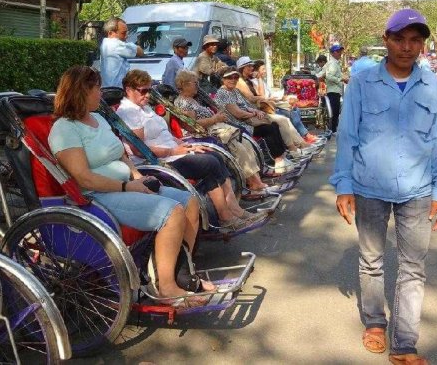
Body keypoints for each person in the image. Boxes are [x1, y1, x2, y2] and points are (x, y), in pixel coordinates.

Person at [330, 8, 437, 365]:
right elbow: (348, 135)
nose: (407, 46)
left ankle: (404, 344)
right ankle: (374, 322)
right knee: (371, 261)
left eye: (415, 40)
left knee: (413, 267)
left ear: (423, 45)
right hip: (369, 186)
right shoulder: (363, 83)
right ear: (386, 40)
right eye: (400, 38)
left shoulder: (432, 85)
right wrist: (344, 184)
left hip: (418, 190)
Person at [48, 65, 211, 306]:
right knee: (172, 212)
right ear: (82, 91)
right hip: (97, 196)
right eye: (97, 88)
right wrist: (126, 187)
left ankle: (181, 272)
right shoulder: (65, 129)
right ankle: (166, 288)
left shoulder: (99, 119)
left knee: (189, 201)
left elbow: (121, 154)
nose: (100, 94)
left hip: (125, 185)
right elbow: (83, 178)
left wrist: (136, 176)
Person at [117, 69, 260, 230]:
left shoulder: (144, 108)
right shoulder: (128, 111)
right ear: (128, 90)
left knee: (215, 157)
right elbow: (138, 149)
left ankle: (233, 210)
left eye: (149, 90)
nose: (148, 95)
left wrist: (186, 146)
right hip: (156, 160)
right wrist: (173, 151)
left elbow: (166, 134)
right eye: (143, 91)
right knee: (210, 162)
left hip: (173, 152)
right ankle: (225, 216)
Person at [173, 70, 270, 192]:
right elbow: (192, 126)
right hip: (202, 133)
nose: (197, 85)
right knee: (238, 147)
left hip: (214, 127)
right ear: (185, 84)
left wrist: (217, 118)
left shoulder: (192, 99)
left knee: (245, 144)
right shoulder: (182, 102)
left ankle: (255, 181)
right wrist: (215, 118)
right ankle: (254, 183)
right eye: (195, 83)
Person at [214, 66, 295, 174]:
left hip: (246, 120)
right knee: (268, 129)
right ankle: (278, 160)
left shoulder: (235, 91)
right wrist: (252, 114)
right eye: (230, 77)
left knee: (274, 125)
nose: (233, 79)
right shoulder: (223, 93)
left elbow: (246, 105)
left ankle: (281, 157)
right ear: (223, 79)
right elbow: (238, 113)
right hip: (237, 124)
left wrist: (257, 111)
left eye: (235, 77)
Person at [233, 56, 313, 156]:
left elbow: (260, 94)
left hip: (258, 109)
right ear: (242, 68)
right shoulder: (240, 82)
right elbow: (251, 98)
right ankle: (294, 149)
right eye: (249, 66)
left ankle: (300, 145)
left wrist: (259, 79)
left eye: (251, 66)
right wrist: (265, 99)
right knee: (282, 120)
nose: (252, 68)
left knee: (286, 118)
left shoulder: (248, 80)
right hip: (253, 113)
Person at [254, 60, 321, 144]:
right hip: (268, 107)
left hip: (274, 103)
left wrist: (281, 97)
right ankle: (305, 135)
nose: (265, 71)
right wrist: (259, 78)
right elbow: (263, 97)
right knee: (291, 113)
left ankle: (303, 135)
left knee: (295, 108)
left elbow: (269, 95)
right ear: (257, 71)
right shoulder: (256, 82)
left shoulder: (263, 81)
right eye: (263, 69)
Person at [100, 17, 143, 88]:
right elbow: (140, 52)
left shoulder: (105, 43)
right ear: (111, 33)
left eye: (127, 33)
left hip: (107, 89)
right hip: (117, 90)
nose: (126, 36)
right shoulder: (115, 44)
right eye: (123, 33)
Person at [325, 44, 349, 133]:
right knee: (334, 112)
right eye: (338, 51)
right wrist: (341, 79)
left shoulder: (335, 63)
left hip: (336, 91)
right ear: (333, 53)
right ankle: (333, 130)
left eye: (340, 51)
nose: (340, 53)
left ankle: (333, 129)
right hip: (333, 91)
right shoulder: (332, 63)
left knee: (335, 111)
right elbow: (329, 76)